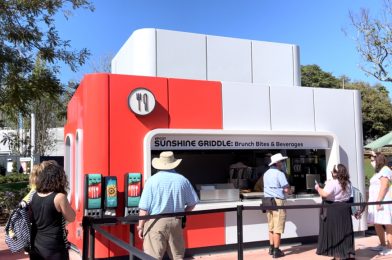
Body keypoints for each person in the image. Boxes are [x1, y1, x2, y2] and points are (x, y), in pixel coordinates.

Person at [137, 151, 199, 260]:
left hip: (155, 222)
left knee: (153, 256)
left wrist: (140, 226)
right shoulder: (182, 180)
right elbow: (193, 203)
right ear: (173, 163)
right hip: (176, 221)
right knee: (177, 256)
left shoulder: (151, 181)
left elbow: (144, 208)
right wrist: (183, 213)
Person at [29, 161, 76, 260]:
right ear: (58, 179)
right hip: (54, 247)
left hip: (36, 246)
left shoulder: (34, 196)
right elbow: (71, 217)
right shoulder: (59, 197)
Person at [315, 164, 354, 260]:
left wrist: (318, 188)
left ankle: (337, 255)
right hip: (344, 209)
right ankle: (346, 253)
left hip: (333, 209)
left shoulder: (333, 183)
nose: (332, 173)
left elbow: (324, 194)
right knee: (345, 231)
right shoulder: (348, 182)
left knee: (335, 232)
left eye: (333, 171)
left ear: (336, 173)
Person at [263, 153, 290, 258]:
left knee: (271, 226)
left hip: (268, 201)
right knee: (278, 227)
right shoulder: (280, 174)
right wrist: (290, 190)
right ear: (277, 163)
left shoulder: (266, 173)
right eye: (282, 161)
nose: (283, 163)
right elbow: (286, 189)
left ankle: (271, 247)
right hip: (278, 201)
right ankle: (276, 250)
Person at [367, 152, 392, 256]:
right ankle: (382, 244)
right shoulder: (377, 172)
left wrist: (379, 200)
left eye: (373, 159)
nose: (371, 162)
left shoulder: (385, 170)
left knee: (387, 223)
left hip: (382, 201)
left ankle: (390, 247)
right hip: (375, 201)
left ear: (378, 160)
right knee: (377, 222)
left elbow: (384, 185)